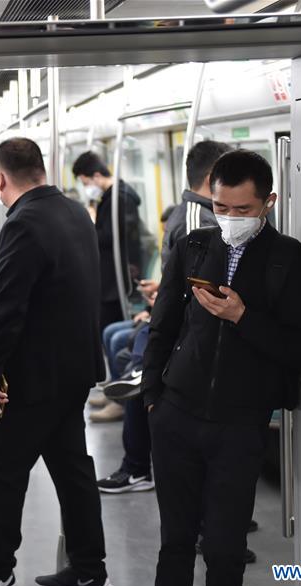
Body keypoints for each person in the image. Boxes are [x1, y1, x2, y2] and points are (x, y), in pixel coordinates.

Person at [143, 150, 301, 586]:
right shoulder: (194, 246)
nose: (231, 218)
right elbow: (163, 325)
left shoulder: (288, 258)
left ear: (268, 202)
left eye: (243, 210)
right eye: (221, 207)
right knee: (175, 542)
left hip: (240, 425)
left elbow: (298, 349)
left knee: (224, 548)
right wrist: (152, 398)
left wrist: (243, 317)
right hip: (176, 413)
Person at [0, 138, 112, 586]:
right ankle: (90, 570)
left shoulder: (23, 223)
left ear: (0, 179)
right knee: (72, 470)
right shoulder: (75, 212)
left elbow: (7, 307)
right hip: (74, 371)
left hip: (32, 378)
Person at [96, 141, 233, 489]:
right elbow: (196, 286)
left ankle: (139, 466)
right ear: (213, 178)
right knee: (146, 377)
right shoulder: (197, 221)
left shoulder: (195, 214)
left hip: (179, 321)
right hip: (184, 328)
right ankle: (138, 466)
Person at [71, 150, 145, 333]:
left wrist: (90, 223)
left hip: (116, 278)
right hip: (111, 276)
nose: (86, 188)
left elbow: (111, 236)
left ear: (97, 176)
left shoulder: (119, 198)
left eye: (85, 183)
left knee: (108, 326)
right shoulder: (111, 196)